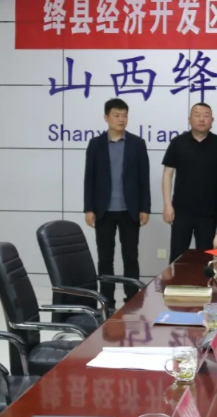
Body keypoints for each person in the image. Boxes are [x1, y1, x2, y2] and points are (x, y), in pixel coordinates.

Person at [83, 98, 151, 308]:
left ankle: (132, 300)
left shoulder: (137, 144)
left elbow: (144, 178)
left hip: (130, 210)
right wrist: (88, 208)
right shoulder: (96, 144)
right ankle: (107, 301)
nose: (121, 119)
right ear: (106, 117)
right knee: (105, 258)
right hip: (103, 210)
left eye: (124, 115)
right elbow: (89, 178)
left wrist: (145, 207)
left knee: (131, 257)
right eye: (116, 115)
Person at [162, 103, 217, 263]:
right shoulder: (178, 142)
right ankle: (174, 280)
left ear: (212, 120)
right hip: (181, 210)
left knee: (206, 257)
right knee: (177, 256)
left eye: (206, 115)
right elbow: (168, 174)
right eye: (197, 115)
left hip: (208, 212)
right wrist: (167, 205)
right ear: (189, 119)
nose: (202, 119)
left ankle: (204, 280)